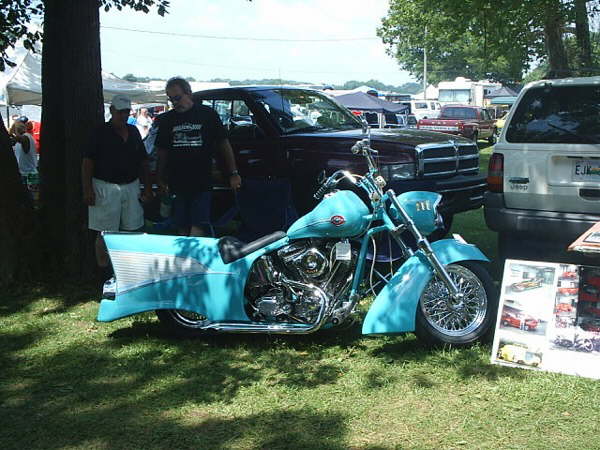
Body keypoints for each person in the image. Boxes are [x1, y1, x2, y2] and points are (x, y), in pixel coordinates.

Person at [156, 77, 241, 236]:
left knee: (198, 227)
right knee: (181, 226)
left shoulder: (207, 114)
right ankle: (184, 259)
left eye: (177, 98)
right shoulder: (167, 120)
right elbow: (162, 152)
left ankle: (192, 259)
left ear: (189, 93)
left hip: (201, 181)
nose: (175, 103)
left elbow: (224, 144)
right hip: (177, 182)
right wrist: (160, 178)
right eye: (171, 99)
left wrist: (233, 173)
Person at [82, 94, 152, 279]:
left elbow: (143, 161)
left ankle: (127, 272)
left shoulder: (134, 131)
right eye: (120, 111)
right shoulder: (99, 132)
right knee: (104, 233)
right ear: (112, 111)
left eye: (126, 112)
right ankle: (103, 273)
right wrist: (87, 189)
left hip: (131, 185)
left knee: (132, 228)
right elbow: (87, 162)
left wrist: (147, 187)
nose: (123, 115)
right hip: (104, 186)